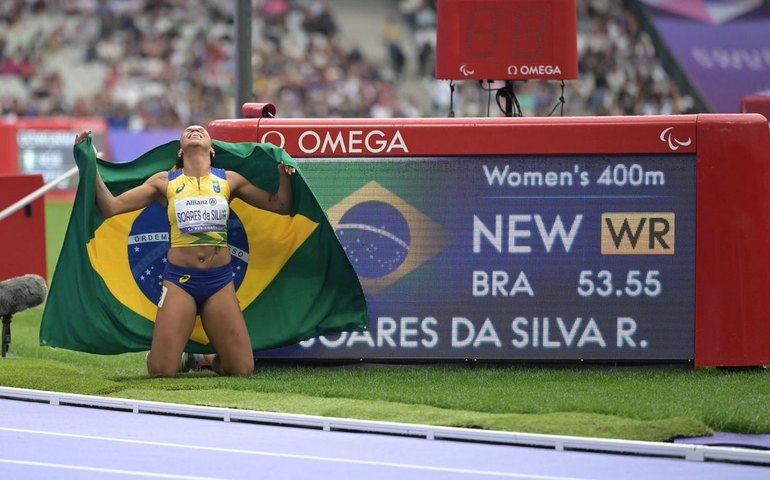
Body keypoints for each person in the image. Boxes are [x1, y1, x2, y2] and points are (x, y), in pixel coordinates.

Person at [74, 125, 296, 378]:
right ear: (180, 151)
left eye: (201, 130)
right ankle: (175, 355)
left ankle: (204, 358)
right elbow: (112, 207)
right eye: (189, 130)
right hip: (180, 281)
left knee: (242, 369)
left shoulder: (229, 180)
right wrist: (88, 162)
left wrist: (285, 173)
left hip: (219, 281)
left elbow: (280, 205)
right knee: (161, 371)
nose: (194, 129)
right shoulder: (164, 182)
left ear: (212, 149)